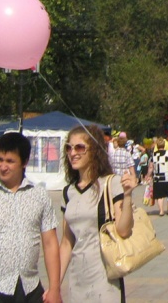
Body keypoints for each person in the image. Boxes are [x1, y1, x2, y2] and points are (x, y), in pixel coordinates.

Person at [0, 132, 61, 303]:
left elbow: (50, 244)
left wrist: (55, 288)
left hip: (29, 287)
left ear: (24, 162)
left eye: (10, 161)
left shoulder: (40, 196)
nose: (3, 166)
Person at [59, 125, 137, 302]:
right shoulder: (68, 192)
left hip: (105, 278)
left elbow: (123, 230)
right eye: (69, 148)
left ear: (94, 151)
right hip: (77, 279)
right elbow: (66, 243)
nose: (73, 153)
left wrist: (127, 195)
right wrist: (55, 285)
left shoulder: (111, 183)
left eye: (79, 147)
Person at [148, 135, 168, 216]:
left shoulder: (154, 155)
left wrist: (148, 175)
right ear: (164, 145)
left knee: (159, 195)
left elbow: (151, 167)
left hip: (157, 177)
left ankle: (161, 211)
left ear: (157, 145)